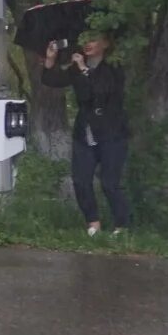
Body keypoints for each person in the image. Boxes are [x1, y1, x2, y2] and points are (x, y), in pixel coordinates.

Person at [43, 30, 132, 236]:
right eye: (84, 39)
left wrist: (84, 69)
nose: (87, 44)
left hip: (112, 133)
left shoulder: (114, 67)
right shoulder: (76, 68)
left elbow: (100, 93)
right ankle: (93, 224)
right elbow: (52, 80)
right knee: (81, 180)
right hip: (86, 133)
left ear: (106, 43)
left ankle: (122, 226)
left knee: (110, 183)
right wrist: (50, 59)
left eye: (93, 39)